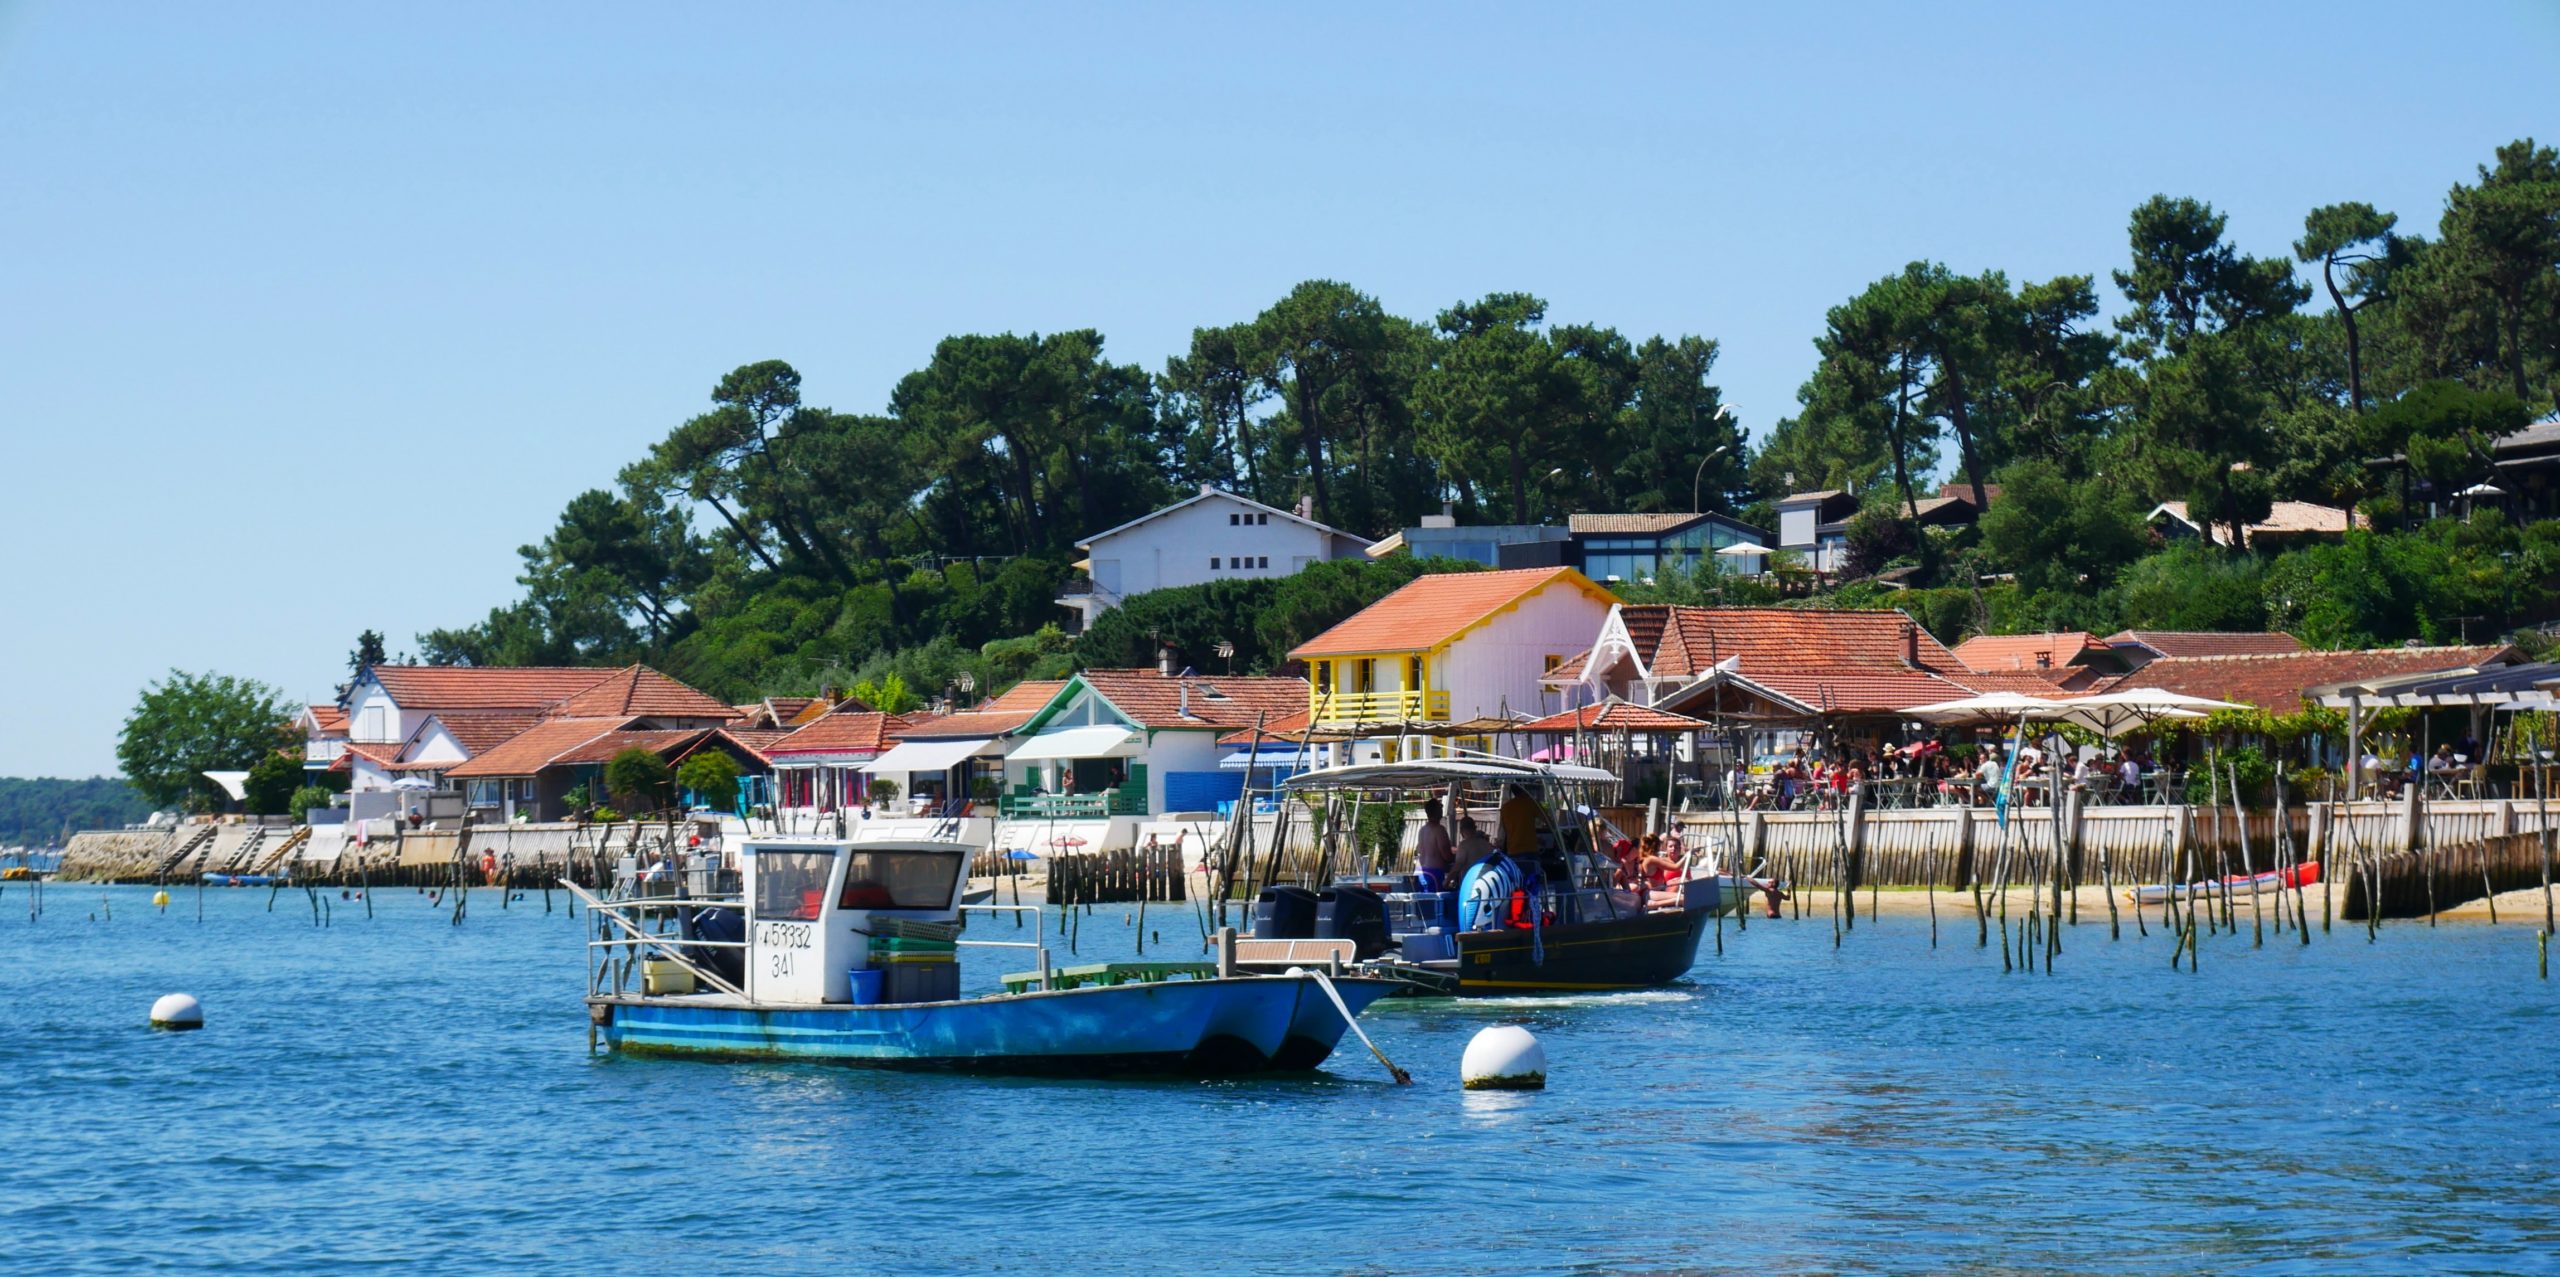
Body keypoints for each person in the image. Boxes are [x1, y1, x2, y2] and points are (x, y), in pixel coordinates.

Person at [1413, 797, 1455, 892]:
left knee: (1424, 904)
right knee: (1436, 905)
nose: (1442, 809)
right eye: (1440, 807)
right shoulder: (1439, 830)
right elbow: (1447, 856)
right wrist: (1459, 857)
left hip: (1420, 871)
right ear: (1436, 811)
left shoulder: (1422, 830)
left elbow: (1421, 850)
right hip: (1434, 874)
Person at [1497, 784, 1541, 858]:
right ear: (1524, 790)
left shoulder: (1505, 807)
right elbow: (1548, 820)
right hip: (1530, 848)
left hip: (1513, 849)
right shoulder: (1531, 803)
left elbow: (1503, 828)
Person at [1452, 815, 1494, 880]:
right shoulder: (1487, 844)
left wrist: (1446, 882)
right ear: (1475, 828)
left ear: (1461, 830)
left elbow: (1457, 867)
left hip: (1470, 884)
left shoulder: (1463, 845)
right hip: (1486, 882)